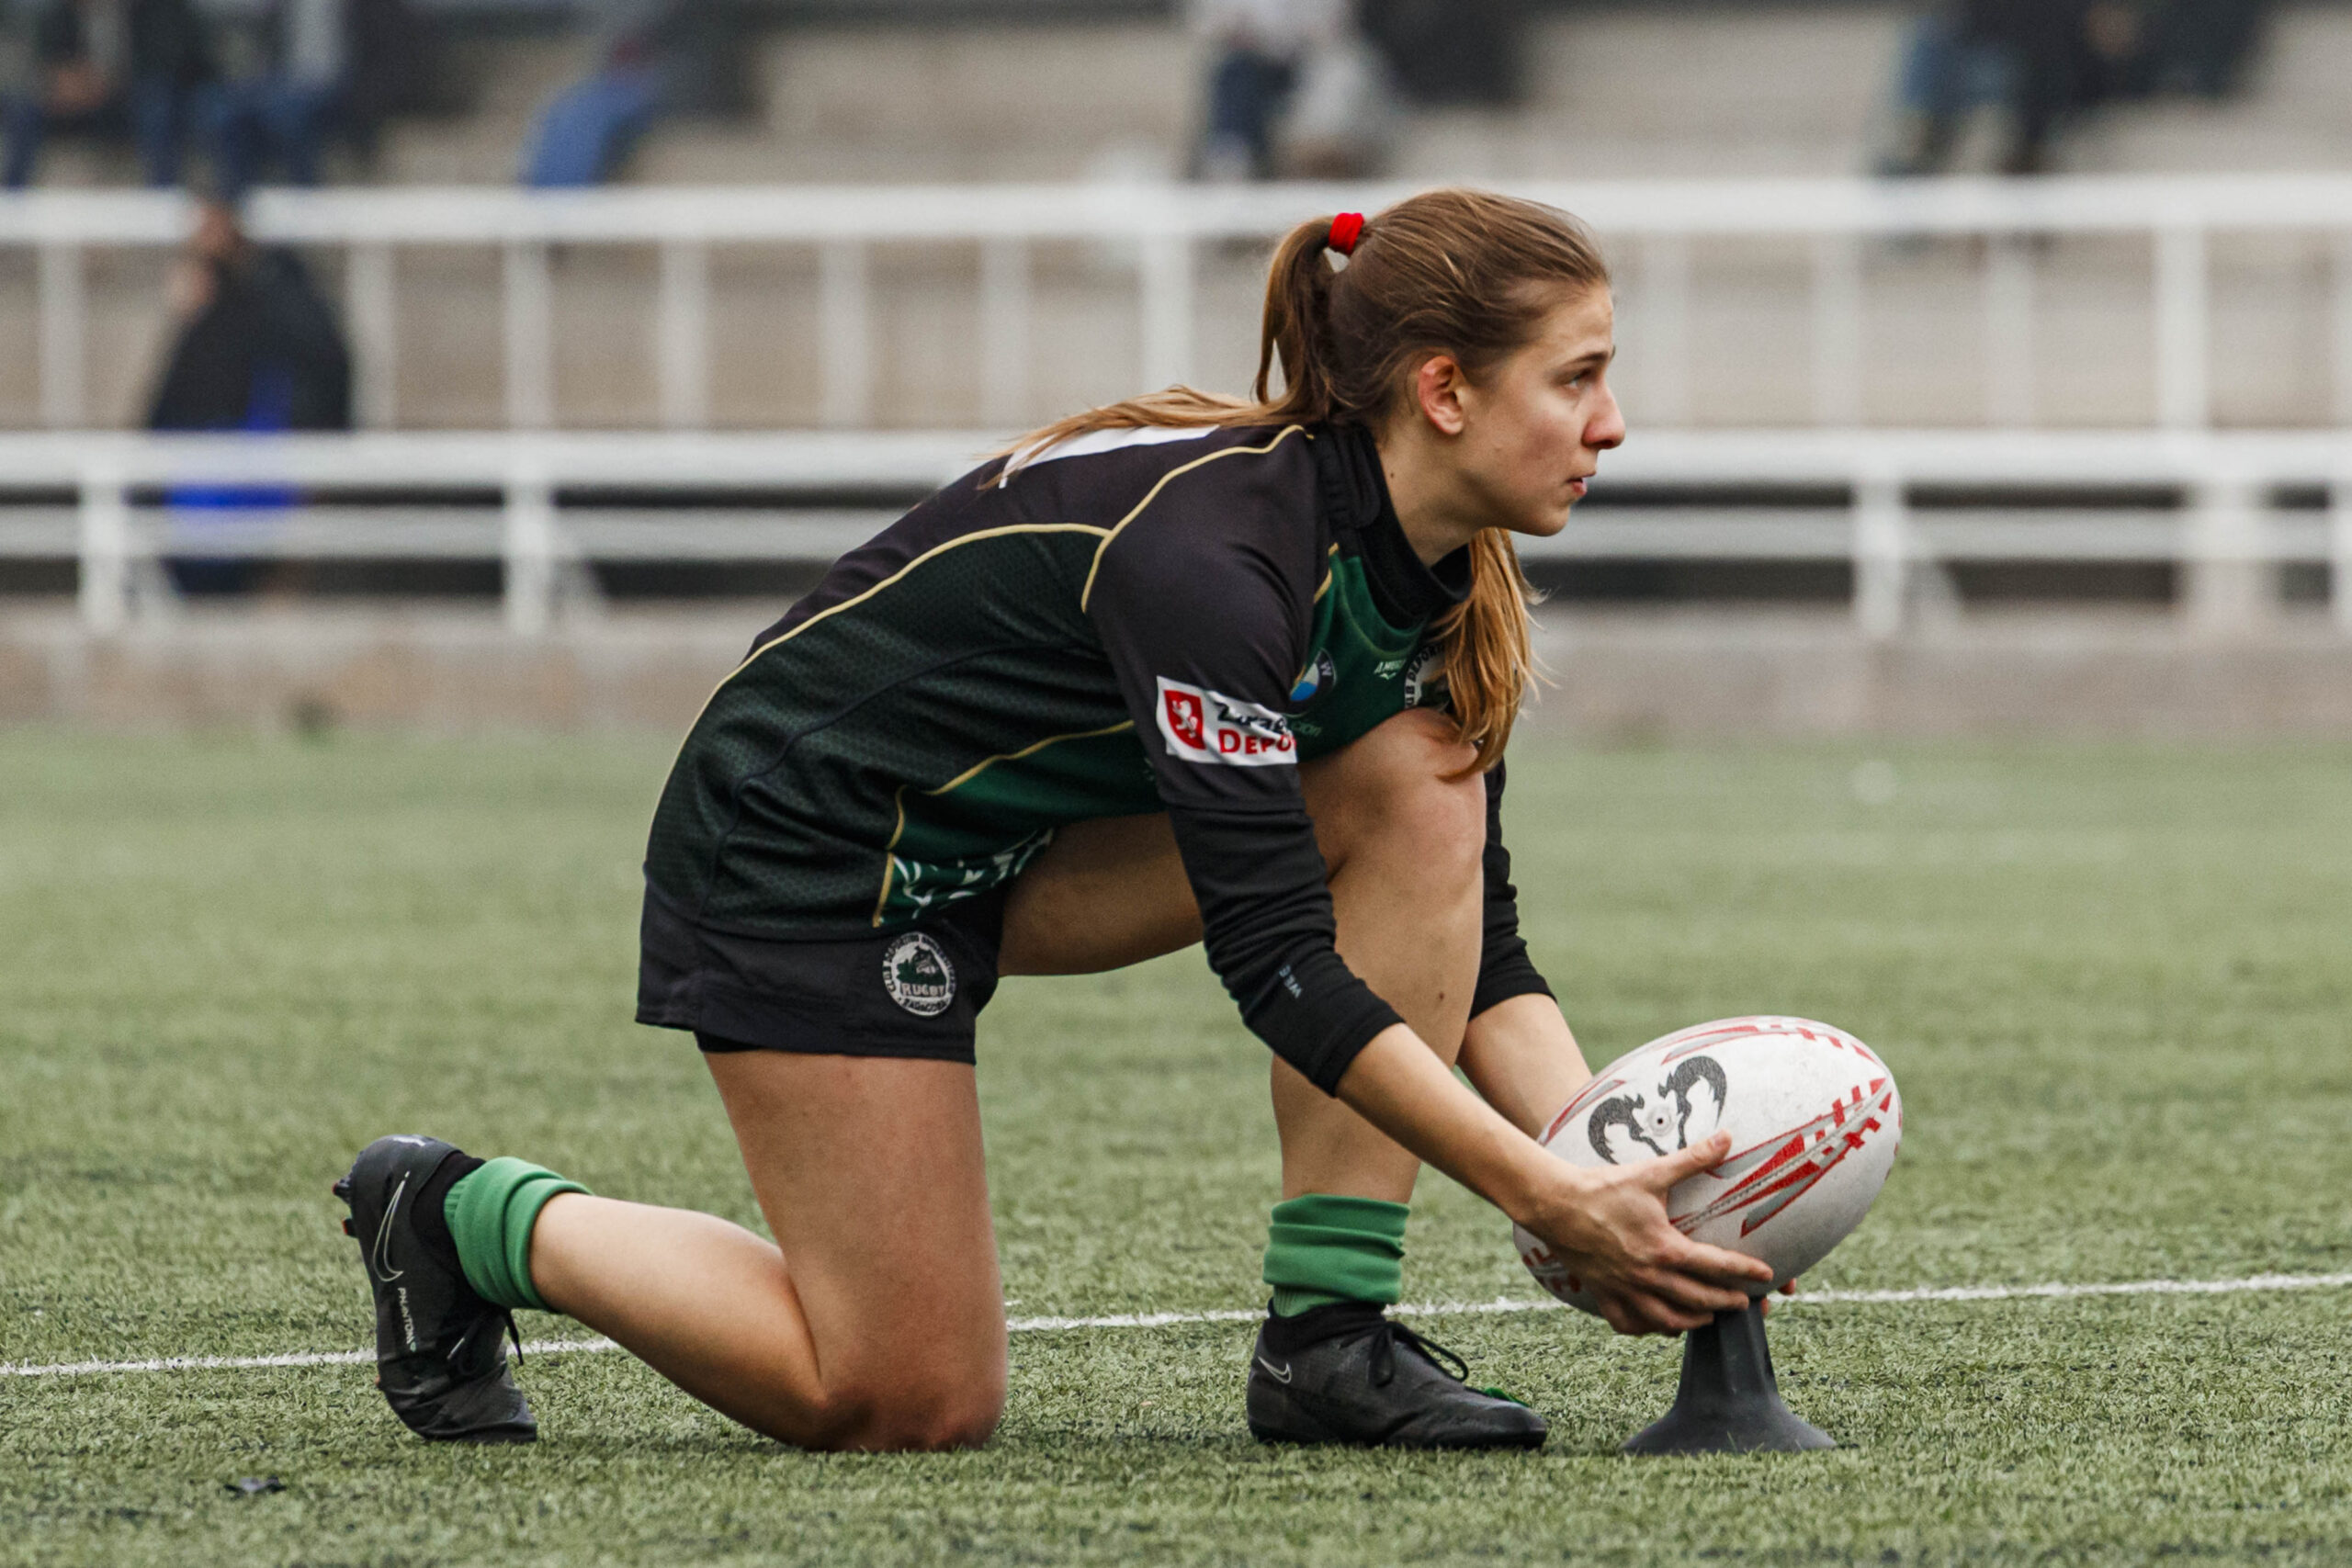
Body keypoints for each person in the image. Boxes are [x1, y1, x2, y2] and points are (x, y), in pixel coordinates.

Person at [333, 189, 1775, 1453]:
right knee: (906, 1399)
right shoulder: (1219, 558)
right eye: (1578, 378)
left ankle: (1328, 1339)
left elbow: (1480, 945)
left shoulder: (1446, 568)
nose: (1612, 422)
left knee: (1419, 782)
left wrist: (1621, 1176)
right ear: (1445, 389)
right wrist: (1543, 1193)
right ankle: (456, 1213)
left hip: (1010, 853)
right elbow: (1278, 958)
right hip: (809, 849)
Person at [147, 198, 352, 593]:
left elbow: (324, 375)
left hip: (254, 472)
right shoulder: (217, 311)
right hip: (208, 479)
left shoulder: (273, 297)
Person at [2, 0, 213, 188]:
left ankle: (163, 192)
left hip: (127, 105)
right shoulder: (58, 16)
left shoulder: (150, 12)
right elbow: (46, 69)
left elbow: (162, 65)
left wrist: (110, 84)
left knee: (157, 105)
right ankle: (12, 197)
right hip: (75, 104)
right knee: (24, 109)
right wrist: (67, 83)